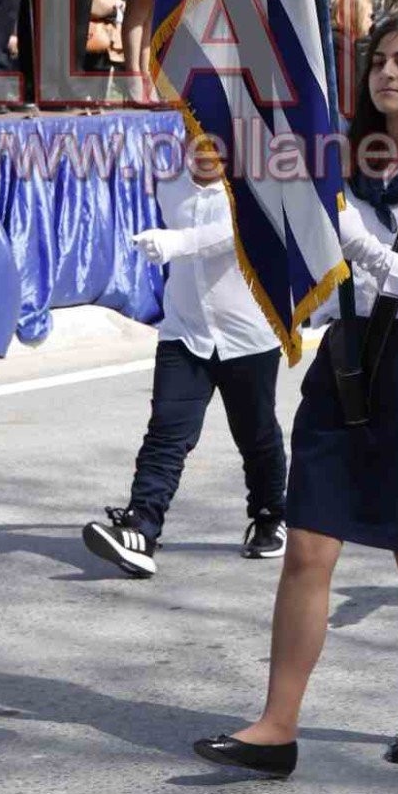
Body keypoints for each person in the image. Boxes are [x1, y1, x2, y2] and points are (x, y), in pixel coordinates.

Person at [193, 16, 398, 778]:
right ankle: (277, 724)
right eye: (377, 62)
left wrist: (362, 247)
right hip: (344, 368)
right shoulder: (342, 161)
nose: (386, 74)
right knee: (308, 546)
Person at [81, 136, 288, 578]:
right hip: (184, 331)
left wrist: (178, 242)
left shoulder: (256, 185)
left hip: (248, 333)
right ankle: (141, 527)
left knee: (255, 433)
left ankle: (272, 514)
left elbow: (237, 233)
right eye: (196, 137)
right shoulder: (170, 184)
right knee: (166, 433)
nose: (205, 149)